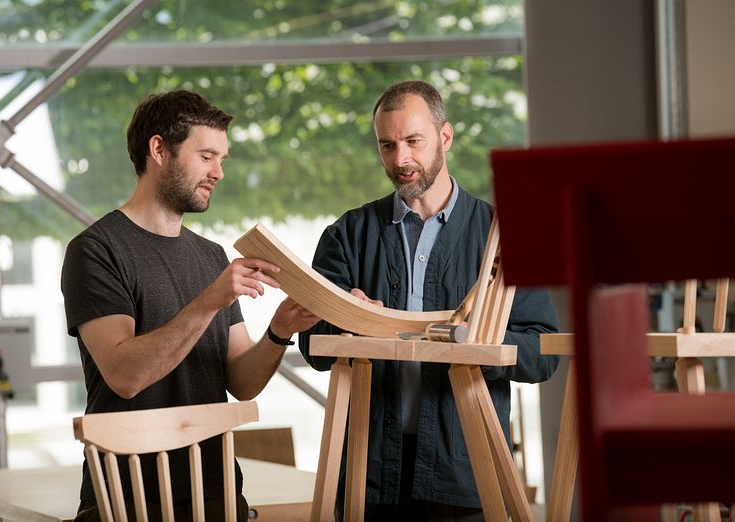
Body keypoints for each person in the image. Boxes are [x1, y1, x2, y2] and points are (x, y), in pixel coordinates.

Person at [299, 80, 560, 521]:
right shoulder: (346, 235)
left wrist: (478, 342)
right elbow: (313, 345)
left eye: (413, 141)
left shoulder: (504, 237)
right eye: (387, 145)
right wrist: (349, 321)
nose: (400, 159)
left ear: (445, 137)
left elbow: (543, 352)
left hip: (464, 475)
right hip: (369, 476)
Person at [61, 90, 319, 522]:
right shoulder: (96, 250)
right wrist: (210, 301)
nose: (218, 172)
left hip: (215, 492)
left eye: (222, 159)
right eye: (206, 156)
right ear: (159, 149)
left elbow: (241, 381)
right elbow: (125, 376)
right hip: (127, 498)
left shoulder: (210, 256)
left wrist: (279, 330)